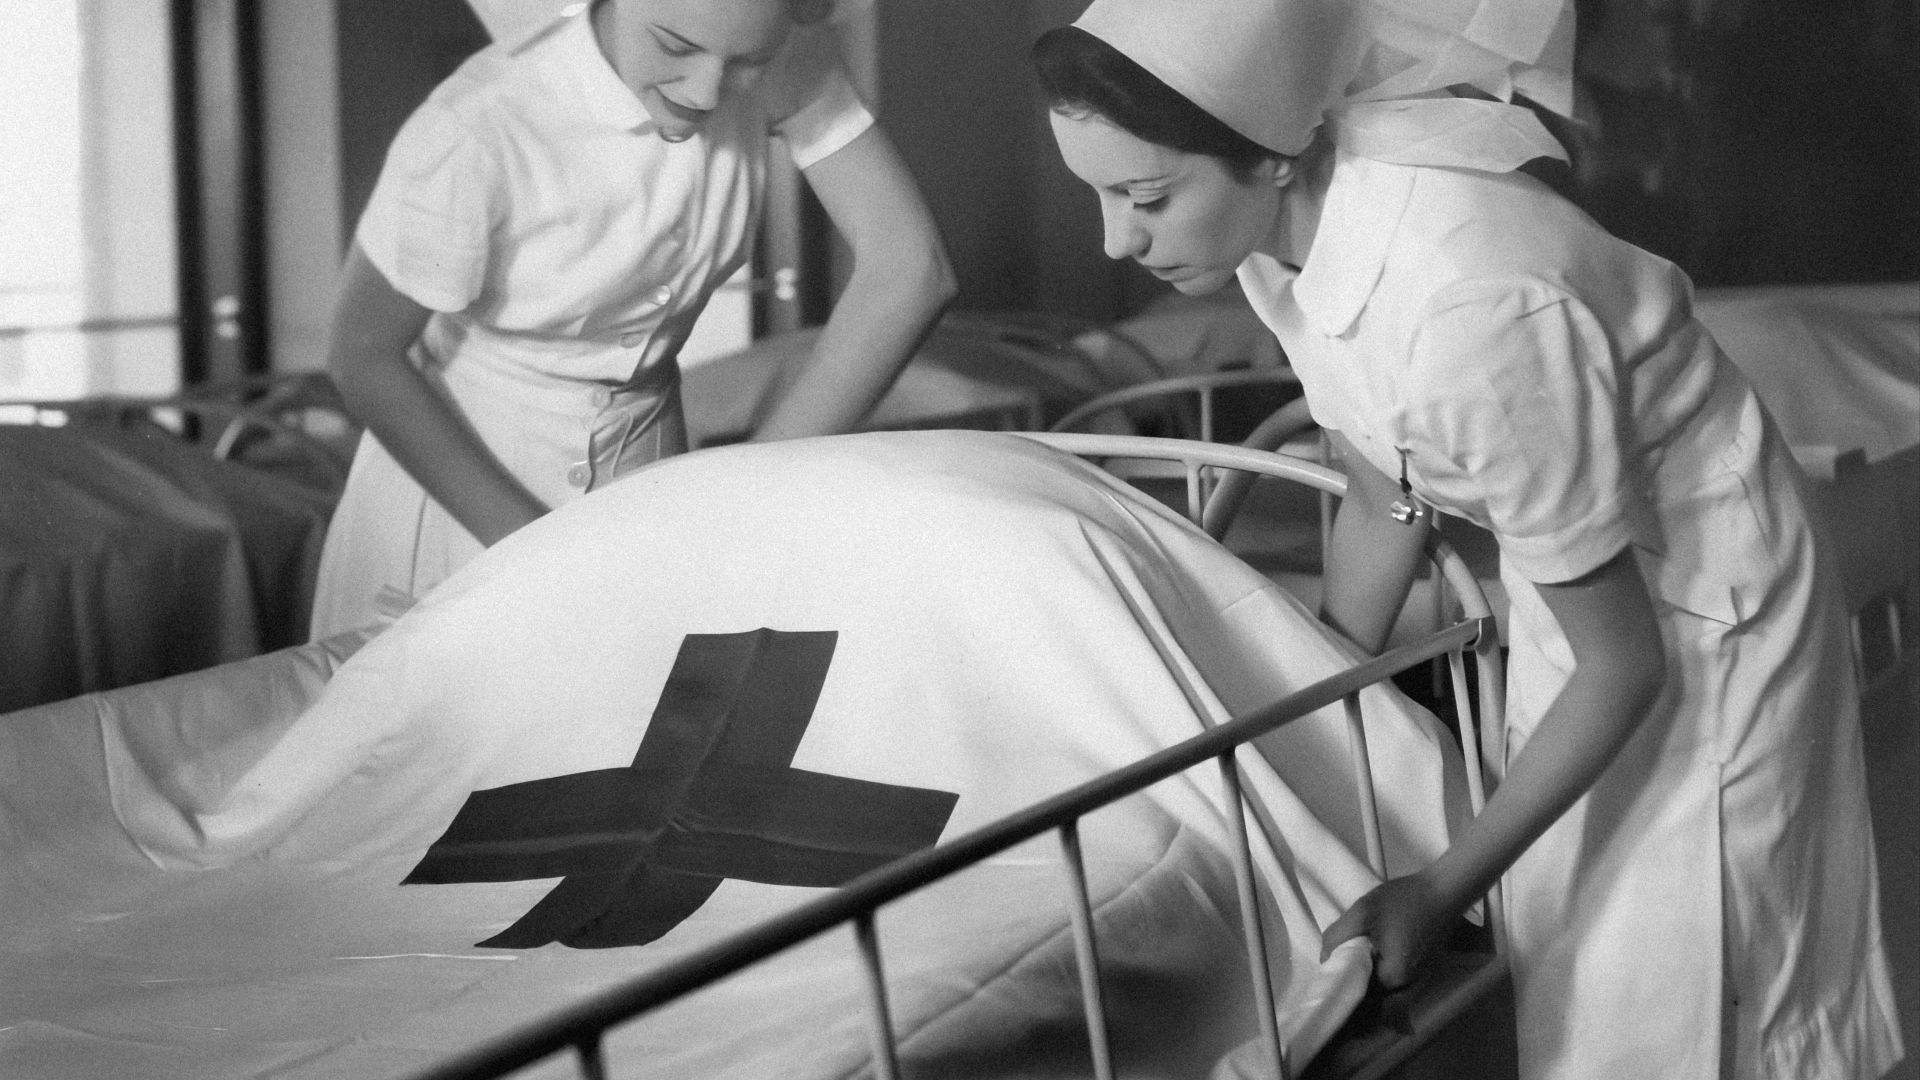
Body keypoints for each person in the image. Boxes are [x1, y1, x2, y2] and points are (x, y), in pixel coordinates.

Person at [1033, 1, 1904, 1077]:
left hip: (1708, 598)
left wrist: (1439, 889)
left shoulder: (1473, 308)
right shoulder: (1277, 243)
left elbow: (1624, 666)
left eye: (1146, 197)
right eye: (1103, 196)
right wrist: (1314, 707)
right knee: (1570, 945)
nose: (1116, 241)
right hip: (1583, 568)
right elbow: (1382, 494)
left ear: (1270, 158)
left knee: (1686, 974)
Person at [309, 0, 954, 640]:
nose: (705, 92)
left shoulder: (786, 52)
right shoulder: (477, 123)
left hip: (645, 487)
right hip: (466, 495)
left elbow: (910, 270)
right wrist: (536, 554)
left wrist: (747, 487)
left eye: (747, 63)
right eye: (675, 46)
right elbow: (361, 356)